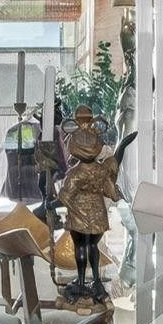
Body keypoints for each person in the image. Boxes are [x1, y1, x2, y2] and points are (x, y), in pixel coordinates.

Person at [56, 106, 120, 302]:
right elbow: (111, 191)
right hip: (98, 214)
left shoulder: (75, 173)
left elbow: (65, 196)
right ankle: (97, 281)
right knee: (93, 246)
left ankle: (82, 281)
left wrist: (53, 203)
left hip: (78, 216)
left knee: (80, 247)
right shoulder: (101, 170)